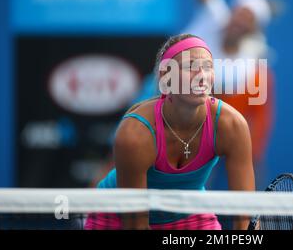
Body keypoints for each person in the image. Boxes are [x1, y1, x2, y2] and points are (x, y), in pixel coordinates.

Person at [85, 34, 255, 230]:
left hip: (189, 213)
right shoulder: (135, 134)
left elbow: (245, 215)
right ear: (166, 77)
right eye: (190, 66)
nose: (202, 75)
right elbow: (135, 224)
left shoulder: (232, 125)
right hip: (116, 216)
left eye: (208, 66)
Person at [181, 0, 276, 190]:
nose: (240, 20)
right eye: (240, 13)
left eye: (249, 19)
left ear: (253, 30)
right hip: (158, 91)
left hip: (188, 112)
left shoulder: (246, 66)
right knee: (127, 145)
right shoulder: (214, 14)